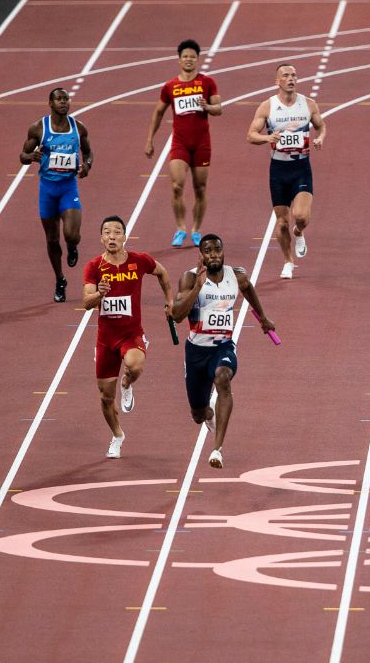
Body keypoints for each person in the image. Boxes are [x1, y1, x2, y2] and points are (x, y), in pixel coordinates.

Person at [171, 234, 275, 469]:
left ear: (223, 251)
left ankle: (217, 449)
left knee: (223, 378)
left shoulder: (235, 276)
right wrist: (197, 288)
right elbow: (177, 315)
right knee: (197, 413)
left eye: (217, 249)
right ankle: (208, 413)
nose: (213, 254)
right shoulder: (189, 278)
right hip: (196, 351)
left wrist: (263, 318)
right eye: (208, 251)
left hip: (223, 346)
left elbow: (248, 289)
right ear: (201, 255)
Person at [82, 215, 172, 459]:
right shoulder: (93, 267)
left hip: (131, 335)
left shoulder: (139, 261)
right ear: (101, 238)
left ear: (125, 237)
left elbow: (163, 273)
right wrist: (99, 295)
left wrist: (169, 301)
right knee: (105, 398)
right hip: (105, 339)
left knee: (134, 365)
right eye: (107, 232)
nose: (112, 236)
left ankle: (127, 383)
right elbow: (86, 302)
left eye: (117, 232)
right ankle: (118, 435)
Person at [246, 63, 326, 279]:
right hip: (278, 170)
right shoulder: (267, 107)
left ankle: (299, 232)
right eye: (286, 75)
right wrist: (267, 138)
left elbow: (321, 125)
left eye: (294, 75)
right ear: (277, 81)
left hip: (301, 168)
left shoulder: (308, 104)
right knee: (281, 223)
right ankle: (288, 262)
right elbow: (251, 135)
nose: (291, 79)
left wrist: (319, 138)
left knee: (300, 217)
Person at [145, 39, 222, 247]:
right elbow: (158, 112)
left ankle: (196, 229)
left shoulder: (207, 82)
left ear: (198, 60)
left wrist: (206, 106)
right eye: (185, 56)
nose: (189, 60)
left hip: (201, 143)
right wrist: (150, 139)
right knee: (177, 186)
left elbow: (219, 109)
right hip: (179, 143)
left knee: (200, 188)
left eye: (192, 57)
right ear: (179, 60)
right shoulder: (170, 86)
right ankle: (180, 228)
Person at [19, 88, 93, 302]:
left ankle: (72, 247)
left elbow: (88, 152)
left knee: (71, 234)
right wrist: (31, 156)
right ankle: (60, 279)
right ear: (50, 103)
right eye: (59, 99)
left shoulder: (78, 128)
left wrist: (87, 165)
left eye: (66, 99)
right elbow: (22, 155)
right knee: (52, 240)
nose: (63, 103)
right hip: (47, 190)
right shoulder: (38, 128)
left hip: (68, 188)